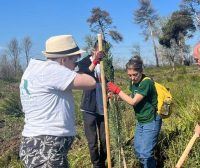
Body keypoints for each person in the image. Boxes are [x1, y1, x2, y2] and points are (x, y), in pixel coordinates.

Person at [19, 35, 97, 167]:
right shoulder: (52, 70)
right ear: (63, 59)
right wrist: (92, 63)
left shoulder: (35, 69)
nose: (75, 64)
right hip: (46, 148)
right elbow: (90, 82)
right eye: (75, 59)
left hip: (38, 145)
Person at [107, 56, 162, 168]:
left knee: (146, 153)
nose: (132, 78)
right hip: (141, 121)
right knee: (138, 150)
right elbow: (133, 96)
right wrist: (117, 97)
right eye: (129, 75)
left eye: (135, 74)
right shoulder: (133, 83)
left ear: (141, 71)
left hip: (151, 121)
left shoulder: (146, 83)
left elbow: (133, 101)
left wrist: (117, 90)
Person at [77, 40, 107, 168]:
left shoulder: (106, 63)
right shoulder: (84, 62)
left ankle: (103, 161)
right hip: (89, 107)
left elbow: (110, 80)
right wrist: (95, 61)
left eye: (104, 53)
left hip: (103, 106)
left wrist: (111, 91)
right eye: (100, 52)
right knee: (92, 142)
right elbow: (85, 75)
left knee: (104, 140)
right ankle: (97, 165)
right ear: (94, 50)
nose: (102, 55)